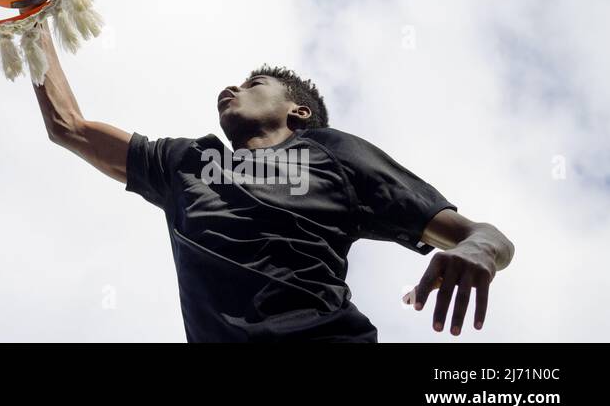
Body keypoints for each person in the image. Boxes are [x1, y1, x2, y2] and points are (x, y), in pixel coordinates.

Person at [31, 30, 515, 342]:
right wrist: (32, 15)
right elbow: (68, 126)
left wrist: (476, 252)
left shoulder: (332, 152)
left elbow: (485, 236)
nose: (232, 88)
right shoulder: (186, 163)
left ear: (297, 111)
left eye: (254, 83)